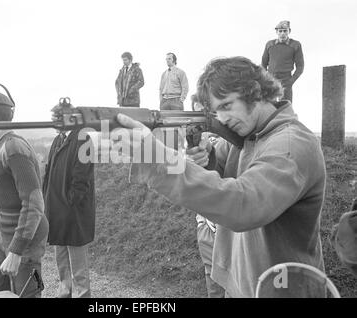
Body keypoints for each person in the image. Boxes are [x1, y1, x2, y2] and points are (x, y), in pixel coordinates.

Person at [108, 56, 326, 297]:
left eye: (226, 106)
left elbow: (243, 204)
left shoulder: (290, 144)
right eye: (216, 110)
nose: (221, 119)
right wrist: (207, 156)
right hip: (246, 282)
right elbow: (220, 166)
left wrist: (157, 158)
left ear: (254, 92)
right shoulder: (248, 135)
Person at [0, 86, 49, 298]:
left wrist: (16, 252)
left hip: (25, 239)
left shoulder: (13, 148)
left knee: (26, 293)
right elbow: (9, 195)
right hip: (3, 233)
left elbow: (34, 204)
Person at [44, 101, 96, 298]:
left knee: (79, 268)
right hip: (57, 212)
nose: (54, 122)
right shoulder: (58, 140)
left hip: (74, 214)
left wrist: (69, 203)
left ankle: (82, 296)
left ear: (69, 119)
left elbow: (81, 180)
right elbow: (48, 173)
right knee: (62, 264)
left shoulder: (83, 139)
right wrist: (46, 199)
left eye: (58, 118)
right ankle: (64, 294)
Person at [261, 20, 304, 102]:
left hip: (286, 80)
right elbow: (263, 64)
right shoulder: (270, 44)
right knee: (269, 106)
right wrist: (266, 79)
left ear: (289, 31)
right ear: (276, 32)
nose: (282, 33)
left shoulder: (295, 45)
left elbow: (300, 66)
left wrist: (291, 81)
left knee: (285, 108)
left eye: (285, 31)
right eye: (280, 31)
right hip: (271, 80)